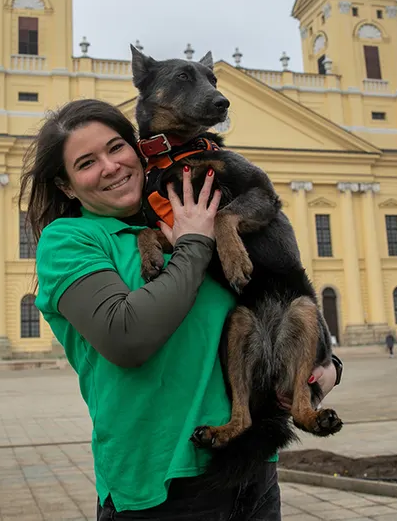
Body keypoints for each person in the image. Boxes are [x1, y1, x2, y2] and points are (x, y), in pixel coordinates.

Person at [23, 99, 341, 520]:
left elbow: (272, 296)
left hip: (250, 473)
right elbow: (126, 337)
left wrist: (328, 366)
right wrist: (196, 242)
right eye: (86, 162)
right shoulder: (69, 241)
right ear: (66, 186)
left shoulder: (187, 215)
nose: (111, 166)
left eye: (117, 148)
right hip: (160, 487)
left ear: (141, 149)